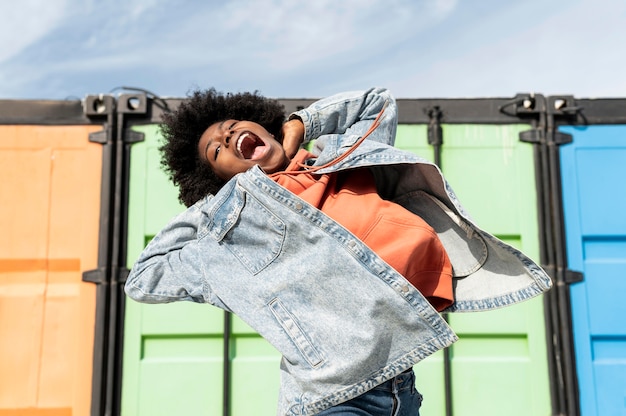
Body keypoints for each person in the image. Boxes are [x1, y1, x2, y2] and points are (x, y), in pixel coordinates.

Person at [125, 87, 552, 416]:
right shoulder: (233, 239)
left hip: (401, 382)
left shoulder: (340, 159)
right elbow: (144, 276)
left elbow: (376, 102)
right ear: (217, 178)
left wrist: (299, 125)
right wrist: (213, 205)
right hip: (333, 397)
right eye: (216, 149)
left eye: (233, 124)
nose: (230, 135)